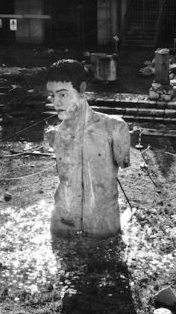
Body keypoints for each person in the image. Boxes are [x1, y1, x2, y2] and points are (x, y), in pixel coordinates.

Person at [44, 58, 130, 240]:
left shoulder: (114, 128)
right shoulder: (55, 135)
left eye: (63, 94)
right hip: (62, 224)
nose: (55, 103)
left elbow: (123, 162)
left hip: (102, 226)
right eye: (52, 96)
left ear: (82, 89)